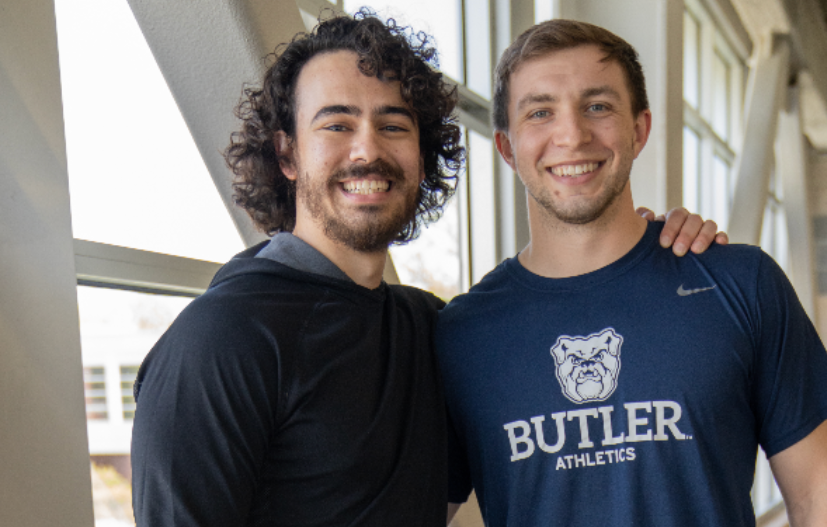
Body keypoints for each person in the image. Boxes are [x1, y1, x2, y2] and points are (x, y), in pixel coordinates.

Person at [131, 12, 723, 527]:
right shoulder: (219, 343)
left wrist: (642, 246)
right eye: (336, 124)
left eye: (393, 125)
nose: (367, 149)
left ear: (423, 153)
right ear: (287, 153)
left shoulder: (431, 331)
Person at [437, 19, 827, 527]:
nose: (571, 134)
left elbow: (818, 492)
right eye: (540, 112)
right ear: (507, 147)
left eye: (597, 106)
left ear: (639, 129)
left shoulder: (741, 284)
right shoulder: (463, 334)